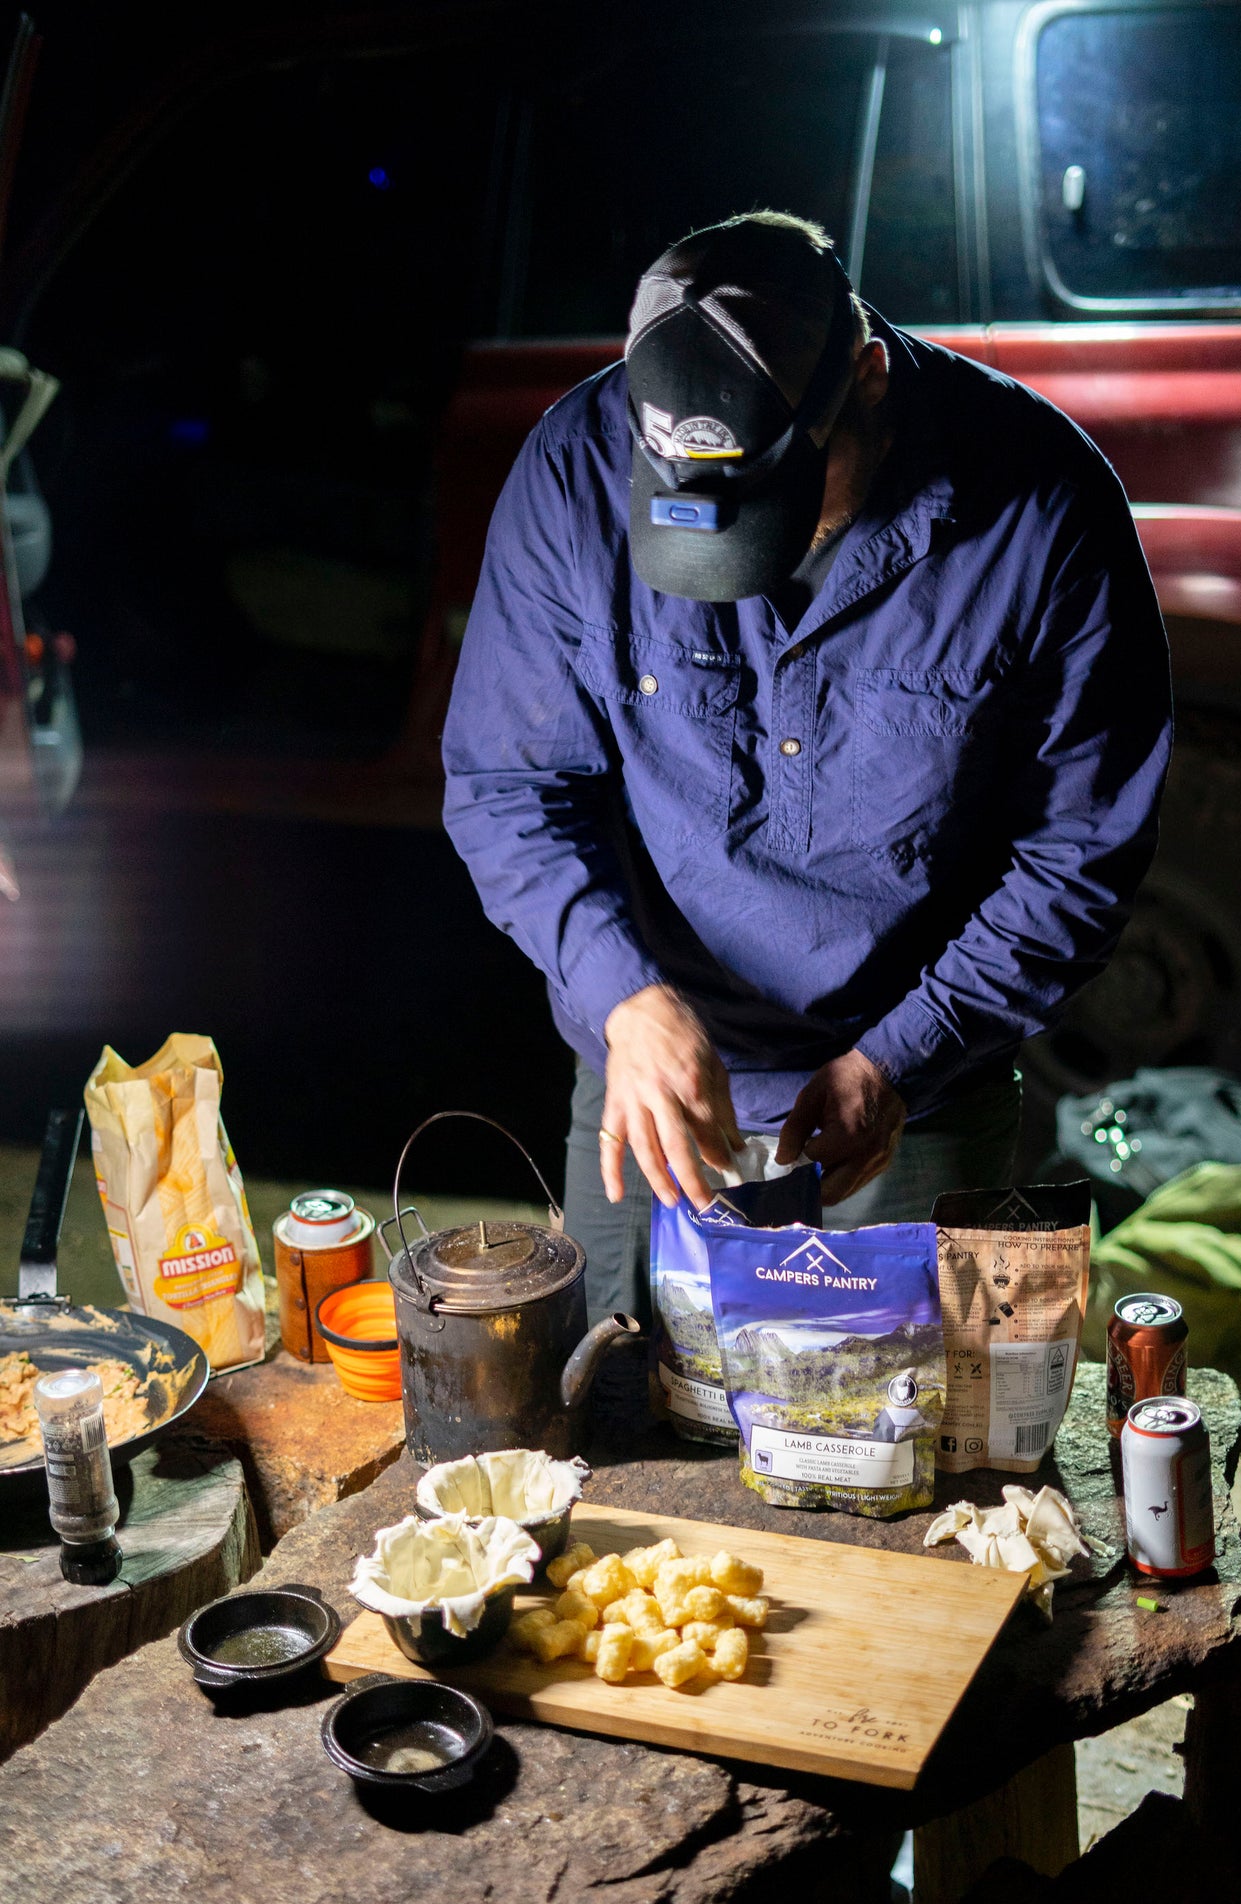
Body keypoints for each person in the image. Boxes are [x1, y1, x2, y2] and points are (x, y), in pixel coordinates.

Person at [443, 211, 1171, 1323]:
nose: (743, 549)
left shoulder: (1046, 508)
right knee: (617, 1411)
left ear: (867, 377)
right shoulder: (576, 473)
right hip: (654, 1065)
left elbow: (1081, 853)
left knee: (917, 1444)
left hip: (917, 1078)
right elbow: (505, 785)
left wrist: (901, 1057)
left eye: (776, 498)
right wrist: (622, 996)